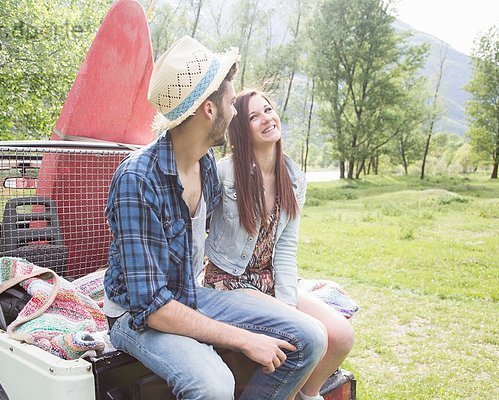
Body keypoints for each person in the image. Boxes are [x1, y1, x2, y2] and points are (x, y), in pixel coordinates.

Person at [103, 36, 327, 400]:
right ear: (209, 109)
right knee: (213, 385)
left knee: (311, 337)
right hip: (137, 316)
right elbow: (152, 308)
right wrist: (245, 339)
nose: (236, 112)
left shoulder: (206, 166)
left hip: (192, 293)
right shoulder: (137, 181)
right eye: (230, 101)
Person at [204, 90, 355, 400]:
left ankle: (306, 395)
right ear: (241, 131)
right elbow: (194, 229)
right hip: (229, 283)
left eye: (268, 110)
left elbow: (285, 248)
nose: (266, 119)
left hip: (269, 281)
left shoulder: (294, 177)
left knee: (340, 336)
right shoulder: (224, 173)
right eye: (253, 117)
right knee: (309, 334)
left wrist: (287, 306)